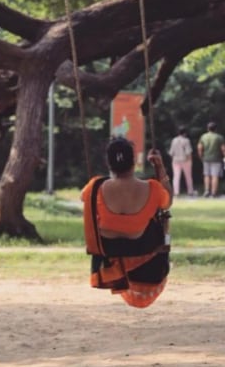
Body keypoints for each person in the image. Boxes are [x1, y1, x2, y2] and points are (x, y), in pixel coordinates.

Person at [81, 137, 173, 308]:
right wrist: (159, 167)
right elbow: (168, 201)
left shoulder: (95, 187)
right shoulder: (152, 188)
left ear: (109, 164)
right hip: (144, 251)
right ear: (134, 162)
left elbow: (83, 197)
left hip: (108, 250)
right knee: (162, 219)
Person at [197, 121, 225, 198]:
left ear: (208, 128)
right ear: (216, 129)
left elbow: (200, 147)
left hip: (206, 158)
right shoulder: (219, 137)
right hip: (216, 159)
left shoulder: (203, 136)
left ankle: (207, 190)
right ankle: (213, 192)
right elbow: (223, 149)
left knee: (206, 175)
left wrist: (201, 156)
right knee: (215, 176)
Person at [168, 126, 196, 197]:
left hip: (176, 160)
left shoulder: (174, 140)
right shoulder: (186, 141)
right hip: (185, 160)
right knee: (188, 176)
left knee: (176, 176)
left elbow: (171, 152)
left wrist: (172, 160)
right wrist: (190, 160)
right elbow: (188, 152)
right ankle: (190, 191)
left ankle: (176, 192)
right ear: (185, 133)